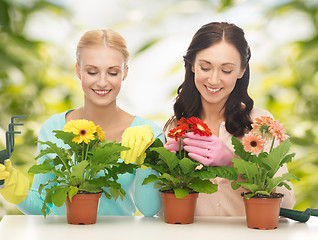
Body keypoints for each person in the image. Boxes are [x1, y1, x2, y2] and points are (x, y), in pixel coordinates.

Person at [0, 29, 163, 217]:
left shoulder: (148, 133)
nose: (102, 82)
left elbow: (149, 210)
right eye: (92, 71)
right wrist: (9, 184)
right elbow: (42, 206)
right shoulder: (54, 128)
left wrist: (147, 158)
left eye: (112, 72)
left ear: (124, 73)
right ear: (78, 70)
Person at [164, 22, 295, 216]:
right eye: (205, 67)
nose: (214, 80)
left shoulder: (261, 123)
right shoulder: (175, 127)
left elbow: (286, 203)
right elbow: (161, 211)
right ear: (192, 66)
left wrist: (233, 163)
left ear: (241, 71)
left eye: (226, 70)